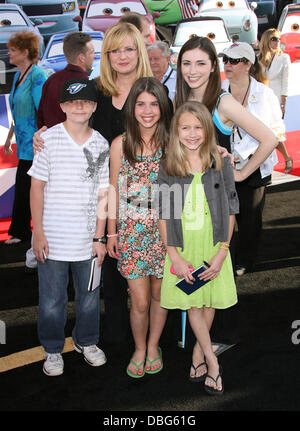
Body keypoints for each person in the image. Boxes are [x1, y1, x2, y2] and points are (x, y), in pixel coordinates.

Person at [174, 36, 278, 363]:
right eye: (187, 63)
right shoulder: (178, 97)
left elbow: (269, 137)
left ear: (213, 67)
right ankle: (198, 335)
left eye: (201, 63)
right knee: (195, 265)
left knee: (219, 267)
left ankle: (223, 335)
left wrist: (243, 174)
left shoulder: (222, 101)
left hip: (216, 203)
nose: (193, 70)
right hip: (187, 200)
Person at [28, 78, 109, 376]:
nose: (79, 107)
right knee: (51, 299)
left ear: (94, 107)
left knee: (88, 297)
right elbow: (36, 188)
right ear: (62, 106)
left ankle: (86, 341)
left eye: (86, 102)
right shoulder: (48, 140)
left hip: (87, 242)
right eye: (73, 102)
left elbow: (104, 193)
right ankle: (52, 349)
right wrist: (37, 231)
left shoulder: (100, 143)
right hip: (52, 239)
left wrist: (100, 237)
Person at [157, 101, 239, 395]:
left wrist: (222, 252)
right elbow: (165, 215)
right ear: (176, 131)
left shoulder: (222, 163)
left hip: (214, 244)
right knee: (194, 303)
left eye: (198, 127)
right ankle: (212, 362)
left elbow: (231, 209)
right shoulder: (168, 166)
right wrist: (174, 256)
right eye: (185, 127)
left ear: (208, 130)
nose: (192, 134)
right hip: (183, 248)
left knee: (208, 301)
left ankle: (196, 355)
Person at [107, 77, 170, 377]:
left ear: (162, 107)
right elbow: (112, 191)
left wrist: (221, 156)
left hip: (166, 234)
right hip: (132, 235)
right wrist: (111, 232)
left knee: (160, 295)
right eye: (141, 104)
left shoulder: (173, 144)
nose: (147, 111)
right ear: (132, 107)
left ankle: (154, 345)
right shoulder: (120, 144)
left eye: (154, 104)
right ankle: (139, 347)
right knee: (140, 301)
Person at [26, 31, 96, 270]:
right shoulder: (88, 85)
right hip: (78, 173)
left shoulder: (50, 81)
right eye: (92, 53)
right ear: (81, 56)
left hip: (53, 172)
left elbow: (41, 120)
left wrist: (42, 137)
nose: (93, 58)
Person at [221, 41, 285, 276]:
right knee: (225, 214)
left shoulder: (264, 94)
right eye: (225, 59)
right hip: (225, 164)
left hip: (255, 166)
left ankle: (245, 260)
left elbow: (276, 131)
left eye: (234, 60)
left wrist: (249, 157)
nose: (227, 64)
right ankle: (226, 256)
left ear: (248, 64)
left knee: (250, 218)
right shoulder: (218, 91)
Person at [3, 31, 47, 245]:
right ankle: (21, 232)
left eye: (13, 50)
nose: (9, 54)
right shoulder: (18, 75)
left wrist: (40, 136)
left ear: (26, 52)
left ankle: (23, 233)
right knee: (24, 187)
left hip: (35, 145)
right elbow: (16, 109)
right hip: (23, 144)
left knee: (27, 187)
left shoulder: (37, 75)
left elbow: (43, 110)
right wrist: (10, 137)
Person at [36, 31, 95, 129]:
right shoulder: (86, 84)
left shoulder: (51, 81)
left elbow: (40, 118)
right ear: (82, 58)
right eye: (92, 52)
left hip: (50, 141)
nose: (94, 55)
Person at [258, 28, 293, 174]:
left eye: (278, 39)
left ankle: (286, 157)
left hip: (276, 100)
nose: (276, 42)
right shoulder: (260, 58)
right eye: (273, 39)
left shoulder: (284, 58)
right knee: (264, 131)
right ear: (266, 40)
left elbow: (286, 82)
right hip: (261, 99)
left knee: (274, 131)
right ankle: (268, 161)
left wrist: (283, 103)